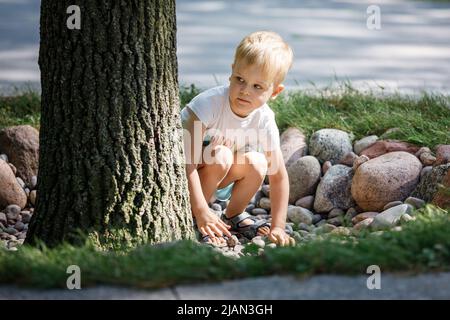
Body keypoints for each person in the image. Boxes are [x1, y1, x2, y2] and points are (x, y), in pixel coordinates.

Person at [181, 31, 295, 246]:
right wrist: (201, 209)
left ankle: (232, 215)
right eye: (240, 80)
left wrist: (278, 226)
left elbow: (278, 175)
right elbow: (186, 165)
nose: (244, 91)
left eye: (257, 86)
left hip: (218, 179)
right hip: (186, 180)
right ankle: (197, 217)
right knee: (221, 154)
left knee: (258, 161)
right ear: (231, 72)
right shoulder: (207, 105)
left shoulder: (264, 118)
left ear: (275, 92)